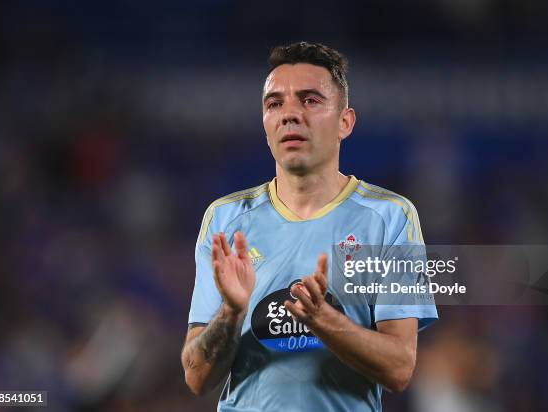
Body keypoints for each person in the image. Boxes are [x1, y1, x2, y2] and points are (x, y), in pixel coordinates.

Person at [181, 41, 438, 412]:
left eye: (310, 100)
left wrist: (324, 320)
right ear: (265, 124)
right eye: (275, 104)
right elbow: (196, 376)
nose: (290, 115)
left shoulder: (390, 218)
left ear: (345, 122)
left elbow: (399, 368)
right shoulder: (226, 220)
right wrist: (232, 313)